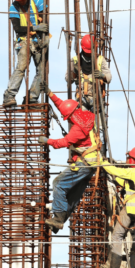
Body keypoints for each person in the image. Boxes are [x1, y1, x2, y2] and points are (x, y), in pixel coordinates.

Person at [39, 90, 101, 231]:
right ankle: (59, 221)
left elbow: (63, 142)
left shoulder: (78, 129)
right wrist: (49, 94)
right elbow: (63, 105)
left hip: (84, 164)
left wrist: (47, 141)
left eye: (66, 117)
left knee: (58, 184)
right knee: (72, 196)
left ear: (70, 115)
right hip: (90, 165)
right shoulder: (87, 116)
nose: (66, 119)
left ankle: (58, 218)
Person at [98, 148, 135, 268]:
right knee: (119, 235)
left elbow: (116, 170)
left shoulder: (132, 171)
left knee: (117, 236)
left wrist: (102, 162)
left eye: (128, 157)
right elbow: (126, 184)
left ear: (132, 159)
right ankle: (110, 263)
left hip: (131, 208)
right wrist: (113, 178)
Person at [3, 0, 48, 107]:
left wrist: (44, 34)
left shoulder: (38, 2)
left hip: (38, 41)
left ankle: (32, 97)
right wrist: (35, 27)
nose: (22, 1)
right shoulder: (13, 8)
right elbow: (18, 28)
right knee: (21, 68)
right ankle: (9, 96)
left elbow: (45, 22)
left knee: (42, 71)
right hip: (24, 41)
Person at [65, 34, 112, 112]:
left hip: (97, 99)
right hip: (82, 99)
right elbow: (68, 79)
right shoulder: (75, 60)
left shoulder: (100, 59)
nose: (89, 53)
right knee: (84, 122)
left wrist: (102, 76)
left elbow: (109, 77)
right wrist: (74, 73)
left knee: (98, 123)